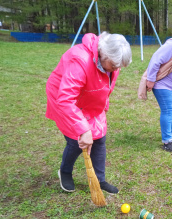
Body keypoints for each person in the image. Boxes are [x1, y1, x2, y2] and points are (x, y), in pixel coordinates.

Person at [46, 32, 132, 194]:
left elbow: (106, 87)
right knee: (76, 141)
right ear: (103, 55)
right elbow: (65, 99)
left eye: (119, 67)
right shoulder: (81, 61)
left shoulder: (112, 64)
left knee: (99, 138)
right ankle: (64, 171)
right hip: (64, 98)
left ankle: (99, 180)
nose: (117, 69)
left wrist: (102, 107)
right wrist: (83, 129)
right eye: (114, 66)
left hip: (89, 95)